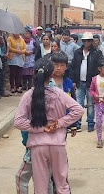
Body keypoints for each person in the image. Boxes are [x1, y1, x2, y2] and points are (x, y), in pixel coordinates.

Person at [14, 58, 84, 194]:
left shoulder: (28, 95)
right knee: (62, 184)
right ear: (51, 75)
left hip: (37, 145)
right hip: (58, 144)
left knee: (41, 186)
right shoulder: (59, 93)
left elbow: (18, 122)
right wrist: (61, 122)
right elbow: (79, 110)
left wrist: (40, 127)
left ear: (34, 74)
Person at [71, 32, 102, 132]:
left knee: (90, 104)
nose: (87, 42)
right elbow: (73, 67)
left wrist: (97, 80)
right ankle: (78, 124)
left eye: (89, 40)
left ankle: (90, 124)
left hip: (91, 83)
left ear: (92, 41)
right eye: (85, 41)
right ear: (82, 41)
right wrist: (74, 80)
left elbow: (100, 67)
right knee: (78, 104)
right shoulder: (77, 52)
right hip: (80, 82)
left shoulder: (97, 53)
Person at [48, 51, 78, 135]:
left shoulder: (68, 83)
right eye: (56, 65)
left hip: (63, 121)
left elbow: (73, 104)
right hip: (48, 120)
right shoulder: (45, 81)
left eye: (62, 65)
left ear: (66, 67)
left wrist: (73, 125)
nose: (58, 68)